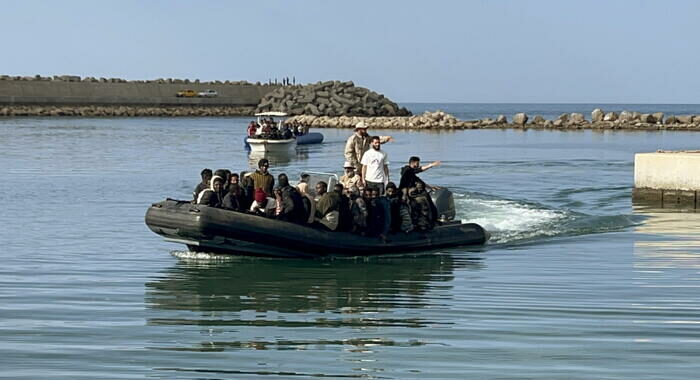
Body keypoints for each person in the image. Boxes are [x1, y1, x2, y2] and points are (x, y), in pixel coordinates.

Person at [399, 156, 441, 226]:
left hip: (413, 192)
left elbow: (419, 180)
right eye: (418, 163)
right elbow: (418, 170)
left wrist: (430, 187)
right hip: (406, 193)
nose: (418, 165)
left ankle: (432, 219)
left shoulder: (411, 173)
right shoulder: (406, 170)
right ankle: (425, 221)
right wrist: (430, 165)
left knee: (427, 197)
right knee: (423, 200)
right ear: (413, 163)